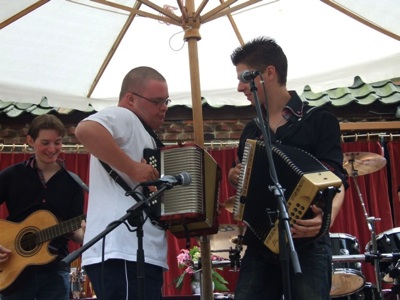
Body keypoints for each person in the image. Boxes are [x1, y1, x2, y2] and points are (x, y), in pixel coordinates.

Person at [228, 37, 348, 300]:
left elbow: (337, 179)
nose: (239, 87)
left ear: (269, 73)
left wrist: (325, 222)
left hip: (307, 243)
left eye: (244, 77)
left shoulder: (319, 120)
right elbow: (243, 179)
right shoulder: (251, 130)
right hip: (260, 244)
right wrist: (235, 176)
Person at [75, 66, 170, 300]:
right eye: (157, 101)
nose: (164, 108)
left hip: (136, 252)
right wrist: (133, 168)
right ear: (131, 99)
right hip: (123, 251)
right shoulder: (125, 116)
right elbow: (86, 129)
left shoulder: (144, 132)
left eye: (166, 101)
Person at [0, 114, 85, 300]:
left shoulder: (73, 183)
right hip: (14, 271)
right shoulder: (11, 176)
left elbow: (77, 231)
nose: (52, 149)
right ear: (30, 140)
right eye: (45, 142)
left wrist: (87, 233)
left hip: (55, 271)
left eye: (58, 142)